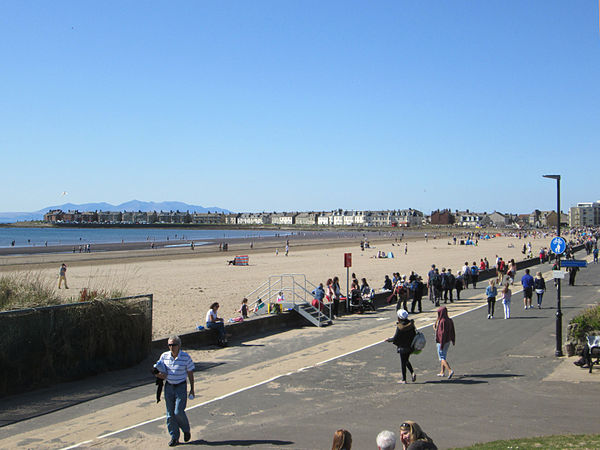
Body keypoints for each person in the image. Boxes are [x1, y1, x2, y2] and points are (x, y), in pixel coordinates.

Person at [154, 335, 195, 447]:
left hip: (181, 387)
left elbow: (190, 373)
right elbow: (160, 371)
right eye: (170, 345)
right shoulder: (164, 356)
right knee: (170, 414)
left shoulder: (185, 357)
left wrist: (192, 388)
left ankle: (186, 430)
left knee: (178, 412)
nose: (171, 347)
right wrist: (157, 374)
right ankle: (174, 437)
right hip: (169, 387)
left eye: (174, 345)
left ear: (179, 345)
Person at [386, 309, 417, 384]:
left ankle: (404, 379)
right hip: (411, 345)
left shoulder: (400, 327)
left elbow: (396, 338)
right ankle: (412, 372)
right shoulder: (411, 324)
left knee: (403, 362)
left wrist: (389, 340)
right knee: (406, 360)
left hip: (403, 346)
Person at [434, 306, 455, 379]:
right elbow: (452, 330)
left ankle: (450, 370)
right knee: (444, 356)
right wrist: (453, 339)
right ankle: (442, 372)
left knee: (441, 358)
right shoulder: (449, 320)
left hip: (441, 341)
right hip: (447, 341)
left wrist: (441, 343)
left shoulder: (442, 321)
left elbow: (441, 333)